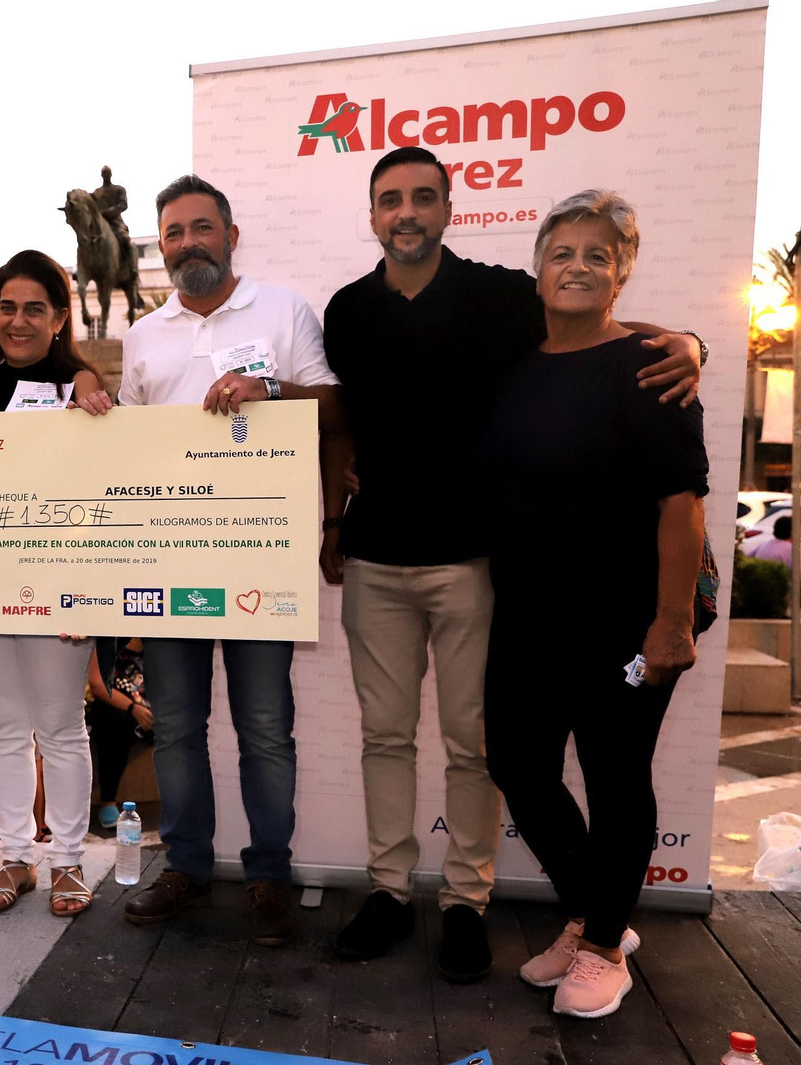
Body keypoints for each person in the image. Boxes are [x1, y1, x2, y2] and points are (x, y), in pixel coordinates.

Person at [321, 147, 705, 982]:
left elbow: (592, 327)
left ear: (450, 207)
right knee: (385, 737)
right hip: (376, 558)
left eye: (425, 196)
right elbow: (336, 415)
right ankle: (389, 890)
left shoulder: (501, 293)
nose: (408, 211)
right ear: (374, 213)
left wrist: (686, 340)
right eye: (392, 199)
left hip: (474, 564)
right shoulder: (347, 310)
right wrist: (329, 520)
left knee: (474, 747)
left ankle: (468, 902)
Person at [482, 190, 707, 1019]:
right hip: (532, 609)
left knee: (616, 778)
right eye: (562, 252)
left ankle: (606, 945)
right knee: (517, 763)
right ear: (538, 269)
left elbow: (682, 502)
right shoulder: (517, 357)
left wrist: (672, 621)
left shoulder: (647, 365)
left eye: (597, 255)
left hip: (630, 614)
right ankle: (594, 912)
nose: (577, 266)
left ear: (622, 275)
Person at [116, 174, 347, 945]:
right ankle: (184, 865)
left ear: (231, 234)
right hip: (171, 561)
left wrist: (268, 387)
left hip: (259, 559)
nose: (188, 244)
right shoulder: (145, 336)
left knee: (265, 728)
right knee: (176, 728)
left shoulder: (284, 310)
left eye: (201, 227)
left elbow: (335, 408)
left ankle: (269, 878)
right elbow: (125, 450)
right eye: (173, 233)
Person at [0, 249, 113, 917]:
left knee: (62, 725)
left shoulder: (81, 380)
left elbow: (104, 477)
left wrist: (102, 414)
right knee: (4, 724)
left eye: (34, 307)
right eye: (6, 307)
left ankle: (67, 861)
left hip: (60, 581)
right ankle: (15, 856)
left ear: (60, 316)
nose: (17, 319)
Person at [86, 637, 153, 828]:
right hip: (119, 710)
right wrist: (134, 709)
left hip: (154, 709)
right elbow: (98, 686)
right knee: (114, 720)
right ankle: (108, 801)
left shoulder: (156, 644)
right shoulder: (107, 641)